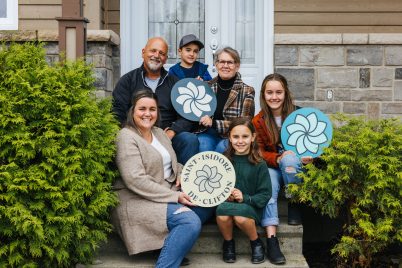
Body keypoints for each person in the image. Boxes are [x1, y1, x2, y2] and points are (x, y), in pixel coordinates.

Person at [112, 90, 201, 268]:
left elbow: (172, 163)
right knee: (190, 221)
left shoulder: (159, 133)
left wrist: (182, 172)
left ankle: (169, 248)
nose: (147, 114)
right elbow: (135, 180)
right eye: (142, 109)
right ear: (132, 111)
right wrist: (176, 197)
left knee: (205, 205)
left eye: (152, 109)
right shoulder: (125, 137)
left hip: (166, 191)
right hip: (138, 199)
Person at [252, 73, 313, 265]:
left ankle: (294, 201)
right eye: (269, 92)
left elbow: (314, 141)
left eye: (279, 92)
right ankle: (271, 239)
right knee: (269, 183)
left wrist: (310, 157)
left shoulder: (300, 115)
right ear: (263, 95)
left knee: (290, 161)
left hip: (292, 168)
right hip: (272, 165)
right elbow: (259, 152)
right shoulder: (258, 120)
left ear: (286, 93)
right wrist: (277, 157)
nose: (274, 97)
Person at [112, 36, 199, 164]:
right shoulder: (127, 81)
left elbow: (187, 115)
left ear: (165, 59)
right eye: (153, 51)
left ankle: (182, 178)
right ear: (143, 52)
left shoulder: (175, 83)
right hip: (136, 136)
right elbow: (117, 113)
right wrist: (135, 133)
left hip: (167, 136)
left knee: (189, 139)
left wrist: (172, 131)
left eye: (162, 53)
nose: (156, 55)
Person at [216, 117, 271, 264]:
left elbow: (265, 194)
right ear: (229, 138)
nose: (240, 141)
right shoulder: (222, 160)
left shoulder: (259, 164)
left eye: (245, 136)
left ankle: (256, 241)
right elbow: (215, 187)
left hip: (250, 205)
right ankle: (228, 243)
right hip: (228, 205)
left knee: (239, 217)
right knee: (222, 214)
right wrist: (223, 195)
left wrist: (245, 198)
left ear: (253, 137)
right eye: (235, 137)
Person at [197, 47, 255, 153]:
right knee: (202, 144)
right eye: (222, 62)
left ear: (237, 66)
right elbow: (194, 112)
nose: (225, 66)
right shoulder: (206, 87)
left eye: (230, 62)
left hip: (232, 135)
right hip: (208, 133)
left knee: (222, 148)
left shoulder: (247, 91)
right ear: (216, 64)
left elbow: (244, 123)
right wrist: (196, 88)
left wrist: (213, 123)